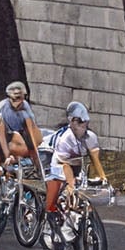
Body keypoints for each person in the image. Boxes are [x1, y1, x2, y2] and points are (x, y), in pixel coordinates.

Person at [43, 102, 106, 241]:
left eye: (84, 124)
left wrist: (103, 178)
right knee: (54, 200)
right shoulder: (66, 139)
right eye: (79, 124)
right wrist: (71, 185)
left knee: (81, 197)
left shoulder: (90, 137)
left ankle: (82, 222)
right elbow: (64, 165)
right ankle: (51, 230)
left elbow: (95, 160)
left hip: (77, 166)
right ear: (71, 122)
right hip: (59, 167)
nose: (82, 128)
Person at [0, 81, 42, 164]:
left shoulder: (25, 106)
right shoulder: (2, 108)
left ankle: (29, 158)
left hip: (20, 134)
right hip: (3, 137)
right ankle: (9, 158)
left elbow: (31, 126)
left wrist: (35, 149)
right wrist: (6, 153)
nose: (17, 102)